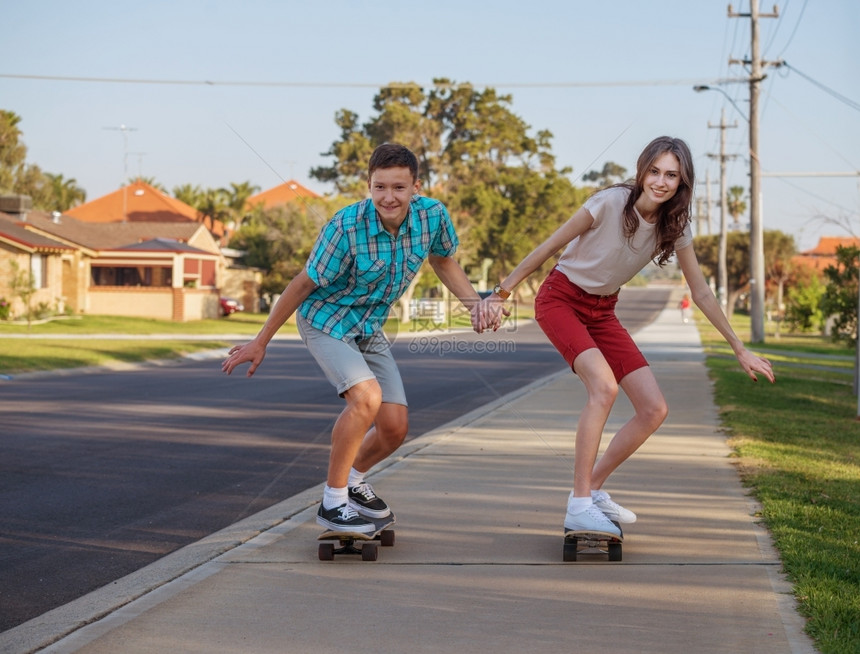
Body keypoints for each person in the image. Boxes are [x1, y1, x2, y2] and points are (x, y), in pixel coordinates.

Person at [478, 136, 774, 537]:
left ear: (682, 181)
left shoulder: (675, 225)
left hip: (603, 311)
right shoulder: (609, 202)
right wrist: (500, 294)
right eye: (655, 171)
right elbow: (550, 246)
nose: (661, 181)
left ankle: (591, 488)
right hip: (561, 299)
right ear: (642, 171)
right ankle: (580, 505)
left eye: (672, 175)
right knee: (604, 388)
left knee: (654, 409)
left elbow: (700, 291)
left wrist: (739, 348)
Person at [222, 143, 482, 534]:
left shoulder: (433, 217)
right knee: (366, 398)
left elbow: (443, 260)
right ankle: (333, 501)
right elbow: (303, 283)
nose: (388, 197)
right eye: (379, 187)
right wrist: (262, 340)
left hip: (369, 325)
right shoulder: (345, 226)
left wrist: (474, 304)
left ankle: (355, 482)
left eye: (398, 187)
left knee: (394, 428)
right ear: (369, 185)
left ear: (416, 187)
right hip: (325, 320)